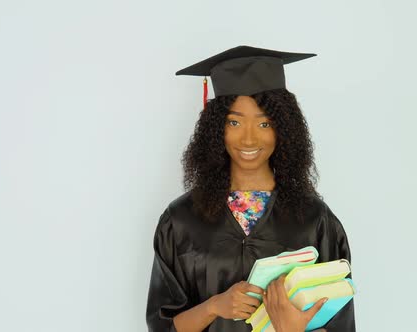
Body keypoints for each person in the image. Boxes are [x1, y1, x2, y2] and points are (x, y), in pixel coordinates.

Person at [146, 46, 355, 332]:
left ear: (283, 128)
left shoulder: (314, 220)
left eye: (264, 123)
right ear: (216, 127)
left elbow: (341, 324)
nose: (248, 139)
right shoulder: (181, 220)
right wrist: (213, 307)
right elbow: (162, 326)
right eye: (234, 122)